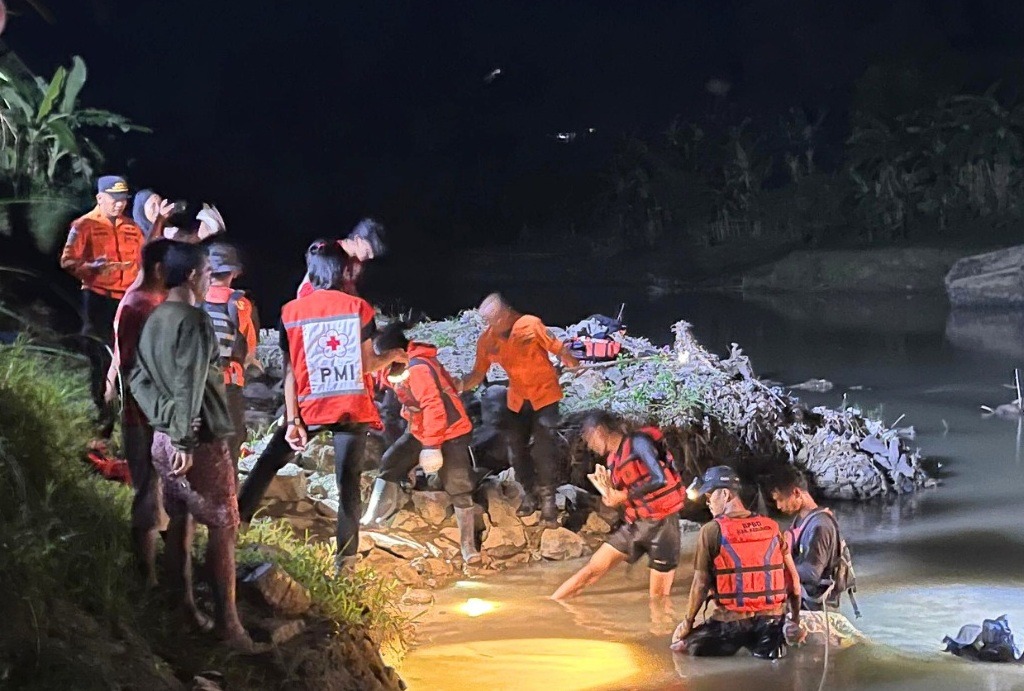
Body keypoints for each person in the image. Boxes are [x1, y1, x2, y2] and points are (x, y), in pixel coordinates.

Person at [236, 240, 406, 572]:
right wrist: (395, 357)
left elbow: (291, 372)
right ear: (344, 270)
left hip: (309, 407)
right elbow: (367, 363)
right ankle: (346, 562)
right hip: (349, 407)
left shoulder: (291, 312)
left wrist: (293, 419)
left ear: (310, 273)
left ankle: (235, 527)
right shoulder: (359, 308)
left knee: (267, 464)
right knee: (348, 484)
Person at [128, 241, 257, 651]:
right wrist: (183, 433)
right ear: (191, 276)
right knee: (224, 524)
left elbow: (136, 380)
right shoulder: (195, 320)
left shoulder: (154, 318)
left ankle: (181, 605)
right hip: (197, 442)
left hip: (163, 441)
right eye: (205, 273)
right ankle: (228, 626)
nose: (208, 280)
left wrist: (164, 424)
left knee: (181, 519)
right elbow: (190, 383)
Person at [361, 321, 480, 564]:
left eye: (377, 354)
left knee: (459, 485)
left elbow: (435, 407)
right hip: (420, 429)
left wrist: (431, 447)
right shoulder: (395, 368)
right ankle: (373, 518)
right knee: (391, 463)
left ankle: (469, 547)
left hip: (450, 431)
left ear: (393, 352)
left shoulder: (418, 368)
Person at [458, 293, 579, 525]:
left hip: (545, 397)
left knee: (543, 450)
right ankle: (530, 494)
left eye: (495, 318)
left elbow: (558, 348)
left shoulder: (531, 325)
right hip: (518, 399)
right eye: (489, 321)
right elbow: (478, 374)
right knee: (516, 449)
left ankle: (549, 503)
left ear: (506, 313)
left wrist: (571, 362)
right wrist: (461, 384)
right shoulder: (488, 340)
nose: (493, 324)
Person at [670, 466, 804, 658]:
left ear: (725, 494)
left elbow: (700, 585)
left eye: (709, 496)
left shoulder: (711, 531)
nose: (708, 503)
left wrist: (687, 624)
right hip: (771, 623)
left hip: (730, 626)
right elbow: (794, 581)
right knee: (774, 664)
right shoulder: (772, 527)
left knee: (680, 650)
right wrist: (795, 620)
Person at [551, 411, 686, 601]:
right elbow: (625, 498)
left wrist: (623, 495)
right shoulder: (613, 460)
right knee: (592, 569)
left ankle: (659, 628)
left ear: (598, 432)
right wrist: (610, 497)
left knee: (658, 596)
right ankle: (551, 603)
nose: (590, 446)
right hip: (636, 524)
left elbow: (660, 478)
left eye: (589, 439)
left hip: (663, 525)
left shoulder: (638, 442)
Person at [107, 238, 174, 586]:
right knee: (149, 490)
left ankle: (162, 570)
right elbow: (139, 366)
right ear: (161, 269)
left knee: (157, 490)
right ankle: (146, 578)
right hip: (148, 416)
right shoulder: (144, 307)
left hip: (147, 413)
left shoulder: (141, 302)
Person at [60, 175, 145, 427]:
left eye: (123, 200)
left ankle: (124, 409)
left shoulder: (132, 228)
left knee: (127, 353)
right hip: (97, 297)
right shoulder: (83, 225)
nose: (119, 205)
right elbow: (67, 261)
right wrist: (91, 267)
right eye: (114, 200)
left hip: (126, 300)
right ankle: (102, 408)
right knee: (99, 353)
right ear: (100, 198)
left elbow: (142, 263)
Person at [767, 465, 857, 614]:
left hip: (818, 612)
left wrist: (774, 571)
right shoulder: (801, 520)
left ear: (796, 493)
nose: (778, 506)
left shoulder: (821, 526)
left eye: (780, 499)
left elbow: (812, 573)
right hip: (802, 605)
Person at [202, 242, 259, 465]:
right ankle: (229, 494)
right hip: (229, 380)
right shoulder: (240, 304)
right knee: (230, 442)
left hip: (198, 380)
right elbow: (249, 349)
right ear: (234, 272)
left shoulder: (194, 298)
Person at [296, 217, 385, 298]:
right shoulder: (329, 252)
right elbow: (309, 285)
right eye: (368, 251)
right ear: (358, 240)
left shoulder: (358, 261)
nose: (371, 256)